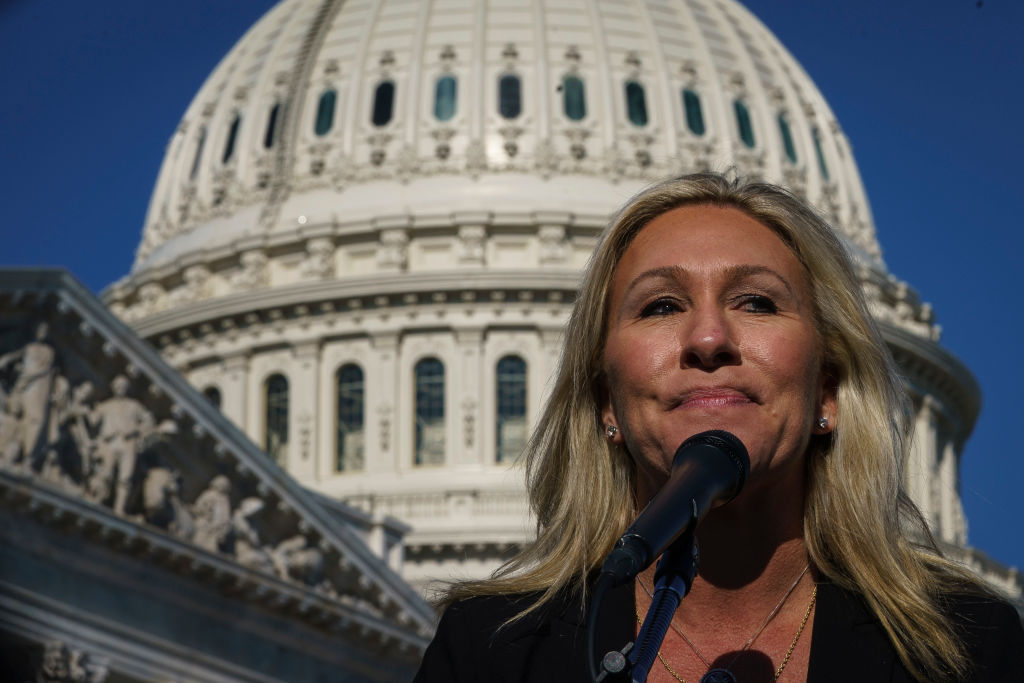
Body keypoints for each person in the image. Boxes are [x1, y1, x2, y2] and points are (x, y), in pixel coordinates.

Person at [414, 173, 1024, 682]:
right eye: (660, 306)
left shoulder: (965, 653)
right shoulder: (494, 656)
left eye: (757, 302)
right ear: (606, 405)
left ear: (829, 392)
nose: (708, 339)